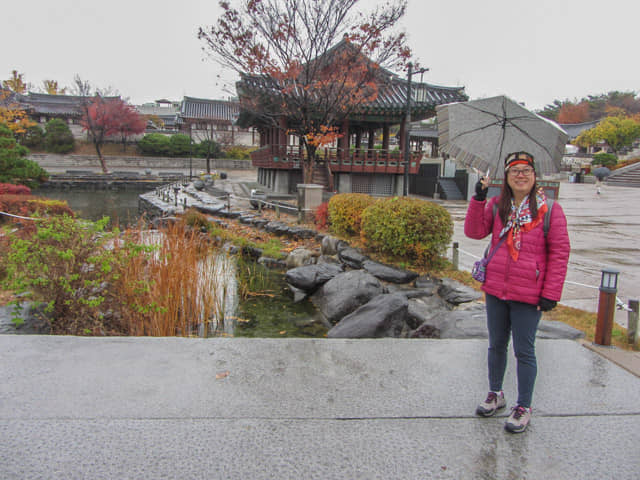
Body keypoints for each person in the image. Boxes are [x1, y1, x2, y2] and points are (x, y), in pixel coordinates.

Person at [464, 151, 571, 433]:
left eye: (526, 170)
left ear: (535, 177)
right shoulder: (499, 205)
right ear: (507, 178)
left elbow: (560, 253)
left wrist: (551, 293)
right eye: (514, 171)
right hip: (497, 288)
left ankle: (523, 405)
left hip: (530, 293)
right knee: (496, 344)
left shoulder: (550, 210)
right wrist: (478, 198)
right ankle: (496, 393)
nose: (520, 175)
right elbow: (474, 232)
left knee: (524, 351)